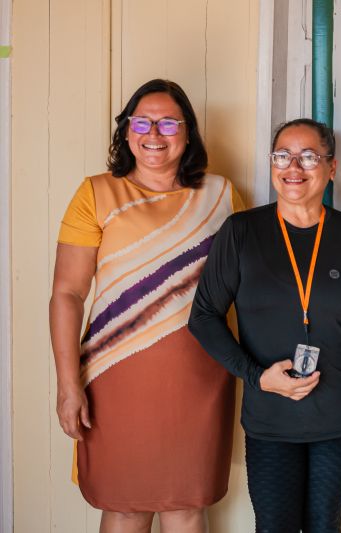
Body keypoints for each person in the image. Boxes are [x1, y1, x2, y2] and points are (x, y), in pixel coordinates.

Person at [50, 79, 242, 532]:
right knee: (123, 505)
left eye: (169, 123)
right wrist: (67, 385)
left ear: (188, 132)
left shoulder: (222, 195)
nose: (154, 134)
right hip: (114, 375)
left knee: (188, 505)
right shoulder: (95, 193)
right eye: (142, 122)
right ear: (126, 130)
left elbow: (247, 288)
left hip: (201, 377)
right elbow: (67, 294)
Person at [188, 118, 341, 532]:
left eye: (309, 157)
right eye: (282, 156)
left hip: (338, 413)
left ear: (332, 167)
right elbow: (204, 317)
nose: (294, 167)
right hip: (271, 416)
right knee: (274, 526)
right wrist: (256, 376)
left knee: (325, 525)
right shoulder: (242, 232)